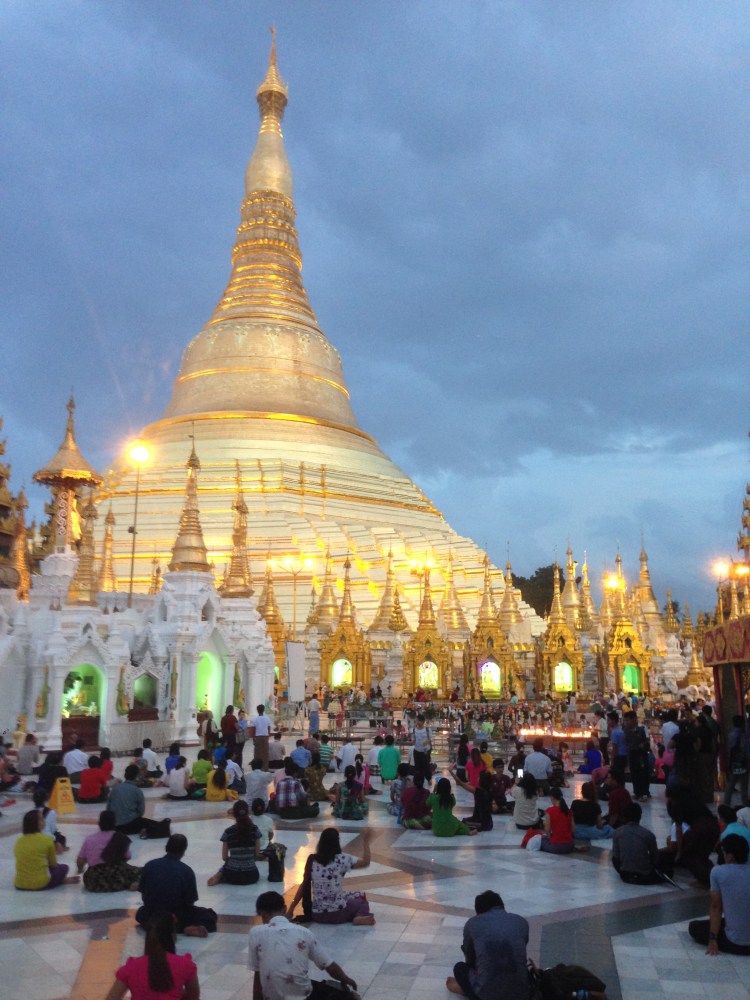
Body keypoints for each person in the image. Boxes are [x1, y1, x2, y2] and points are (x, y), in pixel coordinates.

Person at [249, 890, 359, 1000]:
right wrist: (345, 978)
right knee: (325, 988)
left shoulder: (256, 933)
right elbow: (328, 965)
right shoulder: (304, 932)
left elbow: (258, 976)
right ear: (284, 909)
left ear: (262, 914)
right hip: (303, 997)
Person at [446, 890, 529, 1000]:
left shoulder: (473, 923)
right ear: (502, 906)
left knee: (460, 968)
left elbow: (469, 958)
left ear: (479, 911)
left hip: (486, 994)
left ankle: (465, 990)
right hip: (521, 993)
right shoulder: (521, 921)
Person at [287, 828, 375, 925]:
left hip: (317, 915)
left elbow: (304, 886)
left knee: (348, 896)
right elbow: (365, 862)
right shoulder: (342, 860)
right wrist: (366, 841)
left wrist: (291, 908)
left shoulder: (312, 860)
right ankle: (358, 916)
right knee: (360, 898)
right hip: (339, 913)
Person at [105, 911, 199, 1000]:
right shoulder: (185, 965)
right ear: (173, 936)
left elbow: (112, 997)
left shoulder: (131, 968)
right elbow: (193, 996)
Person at [137, 834, 217, 937]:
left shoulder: (149, 865)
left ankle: (158, 926)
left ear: (166, 847)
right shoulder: (187, 871)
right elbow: (189, 902)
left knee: (140, 913)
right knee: (210, 914)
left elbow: (144, 896)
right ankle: (183, 928)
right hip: (176, 916)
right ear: (183, 851)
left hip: (154, 914)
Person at [688, 833, 750, 954]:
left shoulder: (718, 872)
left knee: (694, 927)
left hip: (735, 943)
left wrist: (712, 939)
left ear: (730, 856)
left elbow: (716, 907)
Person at [77, 810, 142, 892]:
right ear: (114, 823)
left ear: (99, 823)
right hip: (117, 879)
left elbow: (80, 861)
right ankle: (131, 883)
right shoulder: (120, 838)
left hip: (94, 881)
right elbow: (127, 857)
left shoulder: (89, 839)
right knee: (139, 871)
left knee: (88, 875)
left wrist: (80, 870)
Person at [14, 809, 79, 890]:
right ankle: (62, 880)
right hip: (40, 884)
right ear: (38, 823)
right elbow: (53, 864)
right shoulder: (47, 840)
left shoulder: (19, 841)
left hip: (20, 884)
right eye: (42, 819)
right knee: (64, 868)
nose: (44, 820)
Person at [108, 764, 172, 838]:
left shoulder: (115, 789)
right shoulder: (137, 791)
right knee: (150, 824)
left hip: (115, 826)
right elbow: (141, 812)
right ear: (136, 776)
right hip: (129, 826)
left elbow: (108, 808)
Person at [207, 799, 262, 886]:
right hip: (251, 875)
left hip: (232, 875)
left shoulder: (228, 832)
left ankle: (219, 875)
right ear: (248, 812)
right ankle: (219, 875)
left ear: (234, 814)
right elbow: (257, 854)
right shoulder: (255, 830)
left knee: (230, 862)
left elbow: (224, 857)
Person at [611, 802, 661, 884]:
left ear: (624, 817)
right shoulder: (648, 835)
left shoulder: (617, 832)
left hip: (625, 875)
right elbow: (655, 859)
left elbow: (616, 856)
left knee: (614, 858)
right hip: (645, 875)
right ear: (640, 816)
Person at [451, 767, 493, 831]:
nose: (478, 778)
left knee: (462, 823)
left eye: (479, 777)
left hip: (481, 823)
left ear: (481, 780)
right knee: (465, 820)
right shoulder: (490, 791)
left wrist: (451, 772)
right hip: (489, 822)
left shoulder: (477, 791)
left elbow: (460, 783)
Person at [539, 787, 577, 854]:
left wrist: (545, 824)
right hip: (569, 845)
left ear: (552, 797)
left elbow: (547, 830)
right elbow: (573, 830)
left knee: (541, 840)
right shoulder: (569, 812)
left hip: (556, 846)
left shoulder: (550, 811)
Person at [723, 715, 748, 807]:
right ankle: (746, 805)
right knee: (744, 787)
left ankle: (726, 804)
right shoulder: (743, 735)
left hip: (733, 762)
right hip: (742, 763)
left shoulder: (731, 734)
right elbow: (744, 749)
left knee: (730, 785)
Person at [251, 704, 272, 769]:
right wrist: (268, 736)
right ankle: (265, 767)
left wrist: (253, 739)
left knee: (257, 753)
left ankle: (257, 767)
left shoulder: (255, 719)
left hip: (258, 737)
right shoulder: (267, 718)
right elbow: (269, 728)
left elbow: (253, 730)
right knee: (265, 753)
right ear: (263, 710)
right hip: (265, 737)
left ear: (257, 710)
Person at [412, 714, 433, 780]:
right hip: (417, 750)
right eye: (416, 721)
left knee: (426, 766)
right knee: (417, 766)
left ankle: (428, 779)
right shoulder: (414, 730)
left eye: (418, 721)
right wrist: (413, 742)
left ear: (423, 721)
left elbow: (431, 739)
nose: (417, 722)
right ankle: (418, 780)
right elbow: (413, 739)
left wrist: (427, 741)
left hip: (425, 751)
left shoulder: (427, 729)